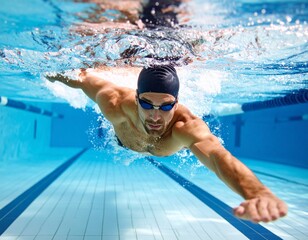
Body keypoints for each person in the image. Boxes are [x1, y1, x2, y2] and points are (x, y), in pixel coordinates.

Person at [46, 65, 287, 223]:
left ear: (177, 102)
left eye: (166, 106)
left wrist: (257, 193)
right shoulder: (113, 100)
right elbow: (81, 78)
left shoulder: (185, 127)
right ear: (136, 97)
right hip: (123, 142)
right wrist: (51, 71)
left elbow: (216, 156)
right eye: (147, 104)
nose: (155, 116)